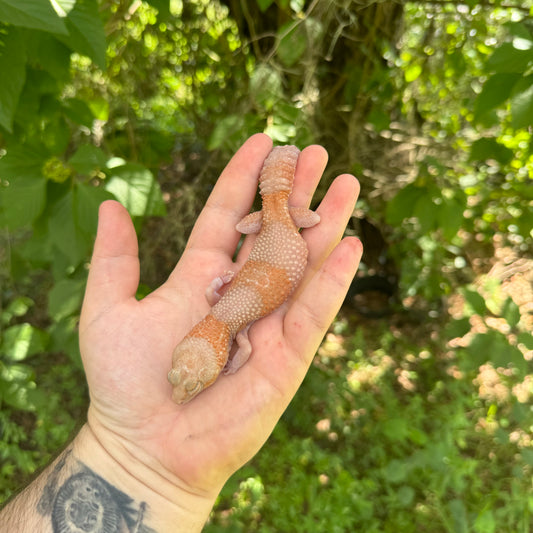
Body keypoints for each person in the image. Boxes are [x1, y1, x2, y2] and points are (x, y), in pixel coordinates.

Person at [0, 133, 362, 532]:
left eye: (184, 382)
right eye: (187, 382)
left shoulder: (232, 329)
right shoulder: (224, 312)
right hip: (281, 227)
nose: (181, 391)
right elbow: (277, 228)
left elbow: (237, 339)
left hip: (278, 231)